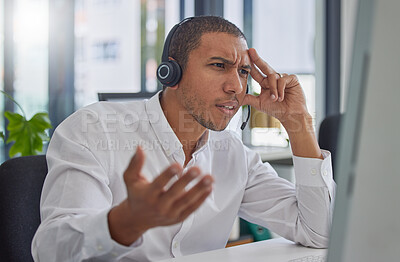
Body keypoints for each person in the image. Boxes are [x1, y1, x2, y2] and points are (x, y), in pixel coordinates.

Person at [32, 16, 335, 261]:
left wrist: (297, 124)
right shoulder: (93, 129)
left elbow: (320, 233)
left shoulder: (233, 155)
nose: (236, 87)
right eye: (219, 66)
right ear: (170, 73)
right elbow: (51, 251)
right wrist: (124, 223)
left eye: (243, 71)